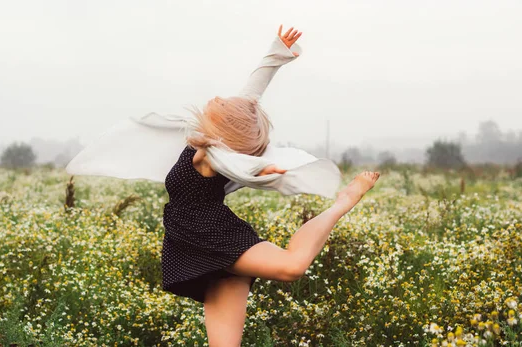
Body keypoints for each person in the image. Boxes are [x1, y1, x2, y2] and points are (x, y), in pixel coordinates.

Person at [159, 25, 380, 346]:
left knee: (292, 267)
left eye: (221, 107)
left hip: (212, 233)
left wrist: (262, 168)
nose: (217, 99)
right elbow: (251, 94)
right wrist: (276, 53)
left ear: (221, 134)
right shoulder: (215, 134)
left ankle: (343, 202)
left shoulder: (211, 152)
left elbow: (233, 163)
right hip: (191, 237)